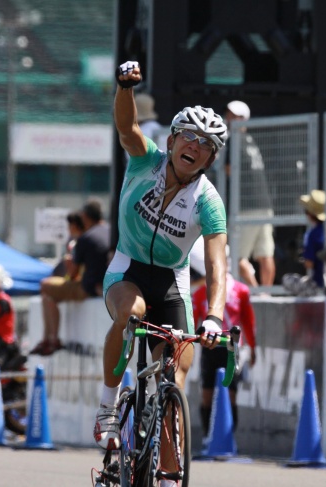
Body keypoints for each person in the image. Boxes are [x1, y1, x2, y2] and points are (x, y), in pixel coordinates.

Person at [95, 61, 228, 459]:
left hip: (172, 282)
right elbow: (126, 129)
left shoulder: (208, 201)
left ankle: (169, 476)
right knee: (131, 311)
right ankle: (107, 404)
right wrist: (124, 88)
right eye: (188, 136)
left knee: (174, 377)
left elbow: (218, 265)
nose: (195, 146)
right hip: (128, 267)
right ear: (171, 142)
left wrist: (215, 316)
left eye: (206, 144)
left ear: (210, 159)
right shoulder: (145, 161)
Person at [190, 240, 256, 438]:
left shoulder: (241, 290)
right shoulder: (200, 292)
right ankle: (208, 437)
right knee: (207, 393)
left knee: (231, 394)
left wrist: (253, 348)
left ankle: (228, 438)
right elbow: (193, 323)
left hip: (231, 347)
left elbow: (248, 322)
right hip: (208, 346)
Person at [30, 199, 111, 356]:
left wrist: (69, 263)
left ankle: (51, 339)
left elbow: (72, 274)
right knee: (48, 298)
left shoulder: (86, 238)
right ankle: (50, 339)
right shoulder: (111, 231)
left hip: (87, 288)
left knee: (45, 286)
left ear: (85, 217)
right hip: (106, 285)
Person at [223, 100, 276, 288]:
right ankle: (266, 293)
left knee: (235, 255)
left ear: (242, 119)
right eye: (229, 114)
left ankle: (253, 290)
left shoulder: (233, 140)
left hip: (246, 205)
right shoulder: (251, 141)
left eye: (233, 115)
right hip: (265, 203)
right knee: (265, 254)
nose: (228, 118)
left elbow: (227, 170)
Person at [50, 211, 85, 279]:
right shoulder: (72, 242)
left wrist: (68, 263)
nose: (68, 228)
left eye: (70, 225)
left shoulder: (81, 242)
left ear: (75, 225)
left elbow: (73, 273)